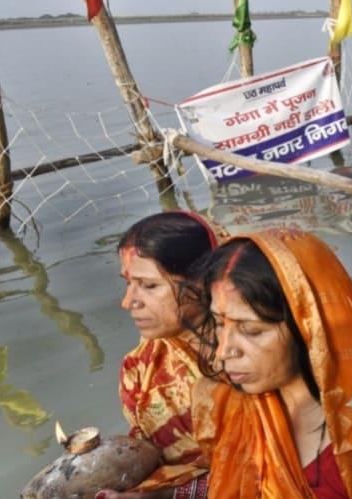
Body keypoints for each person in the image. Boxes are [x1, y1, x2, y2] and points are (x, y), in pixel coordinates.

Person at [191, 229, 352, 498]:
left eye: (251, 330)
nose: (224, 351)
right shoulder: (230, 404)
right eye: (218, 323)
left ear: (308, 327)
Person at [98, 211, 217, 499]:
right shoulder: (143, 366)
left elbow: (273, 467)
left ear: (202, 282)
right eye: (128, 283)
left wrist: (160, 497)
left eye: (149, 286)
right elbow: (152, 454)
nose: (128, 302)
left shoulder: (252, 360)